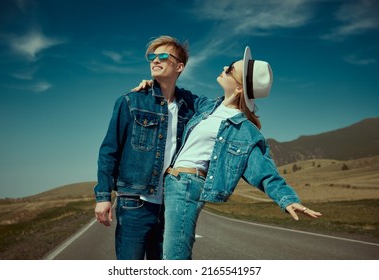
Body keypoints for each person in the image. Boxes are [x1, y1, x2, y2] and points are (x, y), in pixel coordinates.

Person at [136, 46, 322, 260]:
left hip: (186, 185)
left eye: (231, 68)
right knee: (160, 253)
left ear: (240, 88)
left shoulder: (244, 130)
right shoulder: (207, 106)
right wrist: (152, 85)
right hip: (169, 182)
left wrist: (287, 199)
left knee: (174, 257)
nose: (225, 67)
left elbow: (264, 171)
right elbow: (176, 93)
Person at [94, 35, 199, 260]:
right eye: (152, 56)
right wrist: (103, 196)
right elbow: (109, 150)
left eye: (163, 56)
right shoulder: (131, 101)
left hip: (170, 207)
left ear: (179, 66)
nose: (155, 60)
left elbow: (220, 106)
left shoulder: (189, 106)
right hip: (134, 204)